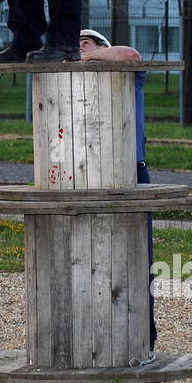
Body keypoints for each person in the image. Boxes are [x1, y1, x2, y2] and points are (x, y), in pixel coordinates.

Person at [78, 29, 156, 350]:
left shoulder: (127, 76)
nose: (79, 47)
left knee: (137, 259)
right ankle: (92, 338)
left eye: (86, 42)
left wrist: (88, 57)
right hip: (85, 177)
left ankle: (141, 338)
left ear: (101, 49)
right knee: (87, 261)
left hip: (129, 172)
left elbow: (130, 56)